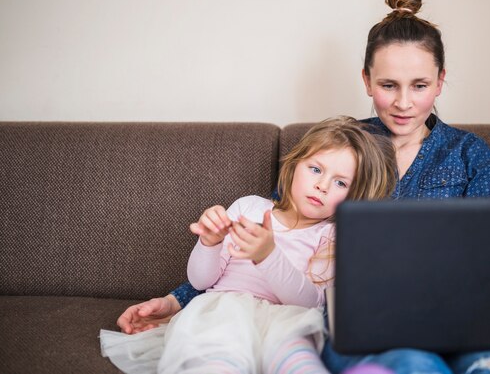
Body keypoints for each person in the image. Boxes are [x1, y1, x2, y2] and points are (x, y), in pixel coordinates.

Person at [115, 0, 490, 374]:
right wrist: (177, 300)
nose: (403, 102)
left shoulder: (470, 154)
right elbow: (272, 231)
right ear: (366, 81)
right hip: (365, 320)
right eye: (388, 85)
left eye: (419, 85)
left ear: (440, 83)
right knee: (413, 363)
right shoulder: (341, 148)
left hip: (457, 312)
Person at [100, 116, 397, 374]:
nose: (322, 185)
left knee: (297, 361)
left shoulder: (331, 236)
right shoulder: (249, 208)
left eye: (341, 183)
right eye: (316, 170)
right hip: (222, 311)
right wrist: (210, 241)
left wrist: (269, 255)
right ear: (294, 166)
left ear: (354, 195)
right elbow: (201, 280)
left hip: (286, 321)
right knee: (216, 360)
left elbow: (310, 301)